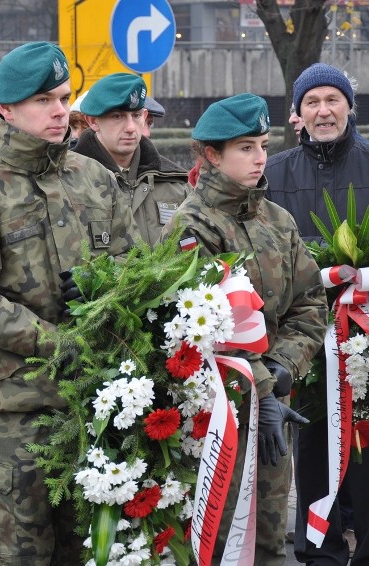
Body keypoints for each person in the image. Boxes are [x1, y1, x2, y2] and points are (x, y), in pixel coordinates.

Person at [0, 41, 136, 565]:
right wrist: (53, 341)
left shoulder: (95, 179)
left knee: (97, 551)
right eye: (43, 100)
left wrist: (103, 286)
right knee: (20, 553)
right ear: (6, 110)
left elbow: (137, 269)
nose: (60, 111)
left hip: (98, 403)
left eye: (63, 98)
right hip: (20, 409)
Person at [163, 93, 327, 565]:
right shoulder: (192, 226)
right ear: (211, 155)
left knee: (271, 530)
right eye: (246, 148)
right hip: (219, 412)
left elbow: (309, 301)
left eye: (262, 145)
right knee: (222, 534)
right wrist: (261, 386)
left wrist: (280, 369)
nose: (260, 158)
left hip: (273, 398)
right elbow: (207, 328)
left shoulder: (277, 219)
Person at [265, 62, 369, 565]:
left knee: (366, 439)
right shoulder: (275, 173)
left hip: (366, 336)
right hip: (305, 333)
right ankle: (317, 548)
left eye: (333, 99)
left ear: (351, 107)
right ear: (298, 115)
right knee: (312, 443)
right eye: (313, 102)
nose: (324, 110)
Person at [73, 72, 190, 247]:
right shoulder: (71, 180)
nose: (130, 128)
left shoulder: (174, 183)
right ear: (92, 121)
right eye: (117, 116)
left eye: (135, 116)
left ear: (144, 116)